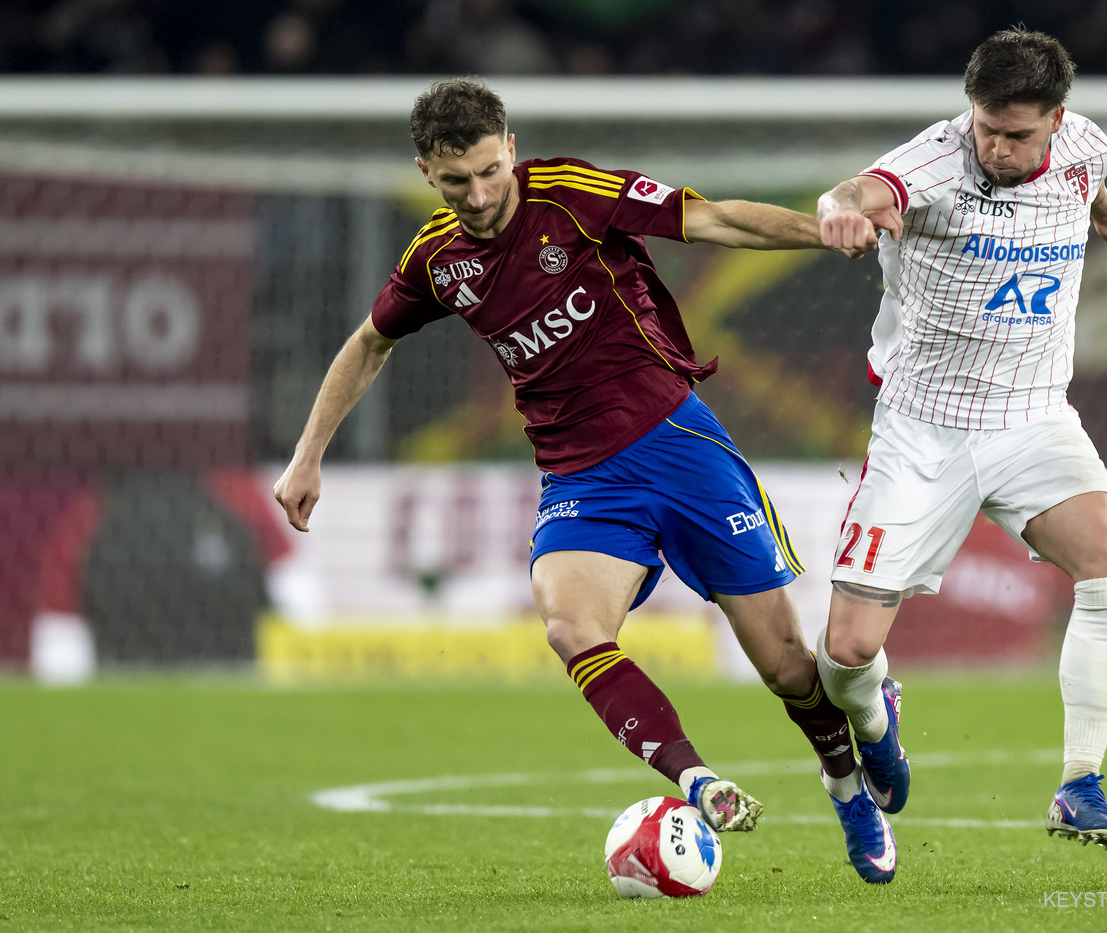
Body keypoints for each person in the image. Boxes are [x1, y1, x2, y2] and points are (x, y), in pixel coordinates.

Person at [271, 79, 875, 865]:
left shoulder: (572, 193)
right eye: (456, 181)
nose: (479, 196)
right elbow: (368, 343)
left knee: (790, 668)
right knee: (570, 628)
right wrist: (307, 454)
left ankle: (847, 781)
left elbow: (716, 218)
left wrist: (825, 232)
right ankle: (697, 781)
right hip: (580, 479)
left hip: (679, 445)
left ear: (510, 147)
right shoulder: (436, 260)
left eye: (490, 171)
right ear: (426, 172)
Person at [815, 27, 1107, 860]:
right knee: (845, 655)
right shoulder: (933, 165)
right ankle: (876, 715)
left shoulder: (1088, 146)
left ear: (1056, 119)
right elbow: (861, 189)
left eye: (1016, 134)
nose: (995, 147)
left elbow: (1091, 176)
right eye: (986, 126)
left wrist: (1102, 212)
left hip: (1033, 417)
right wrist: (838, 210)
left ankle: (1080, 782)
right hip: (924, 429)